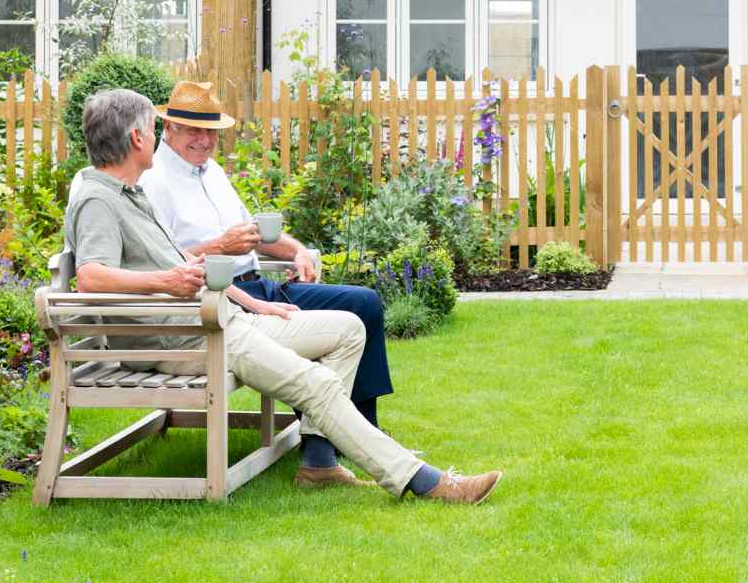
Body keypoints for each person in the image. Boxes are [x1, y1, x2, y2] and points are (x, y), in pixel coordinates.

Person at [65, 88, 501, 504]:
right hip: (191, 337)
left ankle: (318, 462)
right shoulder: (97, 200)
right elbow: (90, 277)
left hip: (223, 318)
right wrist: (167, 283)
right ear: (138, 137)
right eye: (153, 130)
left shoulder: (132, 193)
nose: (159, 139)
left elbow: (188, 264)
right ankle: (422, 481)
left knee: (348, 328)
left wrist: (255, 303)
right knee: (316, 383)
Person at [139, 81, 396, 435]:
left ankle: (365, 429)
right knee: (339, 326)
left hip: (260, 287)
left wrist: (298, 252)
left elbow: (250, 233)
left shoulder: (211, 172)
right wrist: (220, 247)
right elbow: (163, 260)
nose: (205, 140)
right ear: (169, 127)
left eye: (211, 132)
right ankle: (330, 443)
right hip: (223, 304)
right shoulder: (153, 180)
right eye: (194, 130)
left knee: (364, 303)